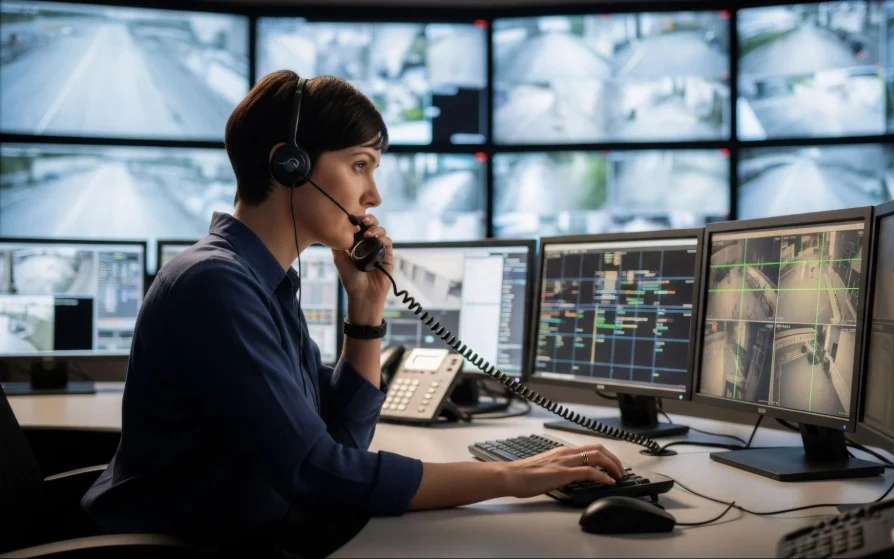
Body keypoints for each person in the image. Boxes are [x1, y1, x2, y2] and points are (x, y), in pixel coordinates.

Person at [81, 70, 625, 554]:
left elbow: (338, 441)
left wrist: (365, 310)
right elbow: (318, 473)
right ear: (289, 166)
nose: (373, 195)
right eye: (359, 165)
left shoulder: (262, 282)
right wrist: (510, 477)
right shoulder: (215, 284)